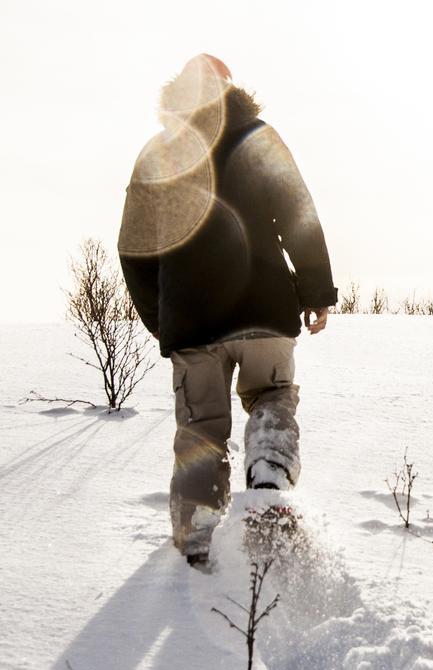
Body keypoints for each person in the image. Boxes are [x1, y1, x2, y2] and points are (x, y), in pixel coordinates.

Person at [118, 54, 338, 566]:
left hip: (192, 320)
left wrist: (163, 317)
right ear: (229, 91)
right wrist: (316, 292)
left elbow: (133, 250)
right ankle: (268, 477)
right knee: (273, 394)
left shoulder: (157, 152)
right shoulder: (258, 135)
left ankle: (196, 543)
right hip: (263, 308)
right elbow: (298, 211)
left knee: (200, 431)